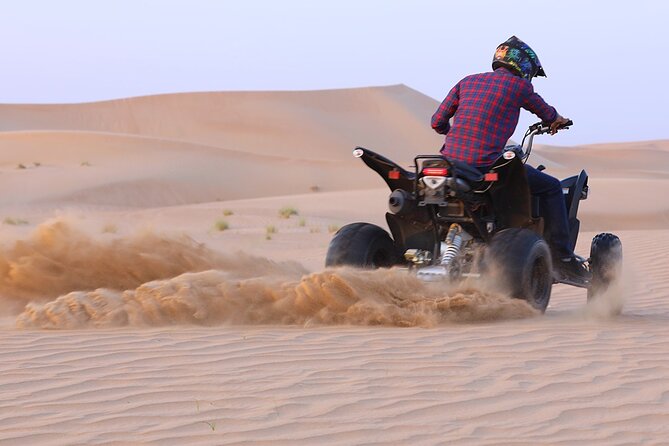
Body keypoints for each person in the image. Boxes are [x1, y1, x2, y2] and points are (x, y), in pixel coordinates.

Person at [431, 35, 590, 282]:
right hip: (484, 165)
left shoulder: (467, 82)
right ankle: (562, 255)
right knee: (550, 187)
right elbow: (546, 112)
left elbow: (437, 122)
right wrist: (557, 119)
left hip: (447, 165)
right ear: (524, 66)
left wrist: (452, 133)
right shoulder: (520, 87)